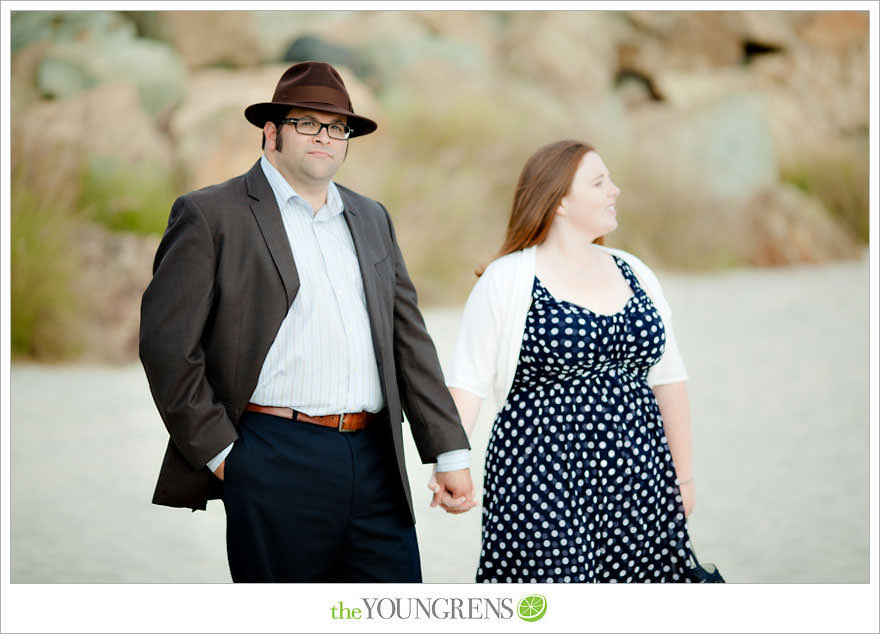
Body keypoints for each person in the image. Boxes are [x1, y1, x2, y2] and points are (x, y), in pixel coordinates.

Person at [139, 61, 476, 583]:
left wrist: (447, 449)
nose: (325, 136)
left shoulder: (371, 217)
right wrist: (226, 456)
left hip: (374, 458)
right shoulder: (211, 214)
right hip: (273, 454)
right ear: (270, 131)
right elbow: (168, 349)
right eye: (307, 123)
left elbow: (408, 340)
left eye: (337, 127)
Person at [438, 140, 697, 582]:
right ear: (558, 200)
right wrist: (450, 463)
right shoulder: (508, 279)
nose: (614, 190)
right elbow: (467, 382)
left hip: (640, 478)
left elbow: (669, 379)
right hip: (542, 481)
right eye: (599, 182)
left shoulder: (633, 271)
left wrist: (683, 480)